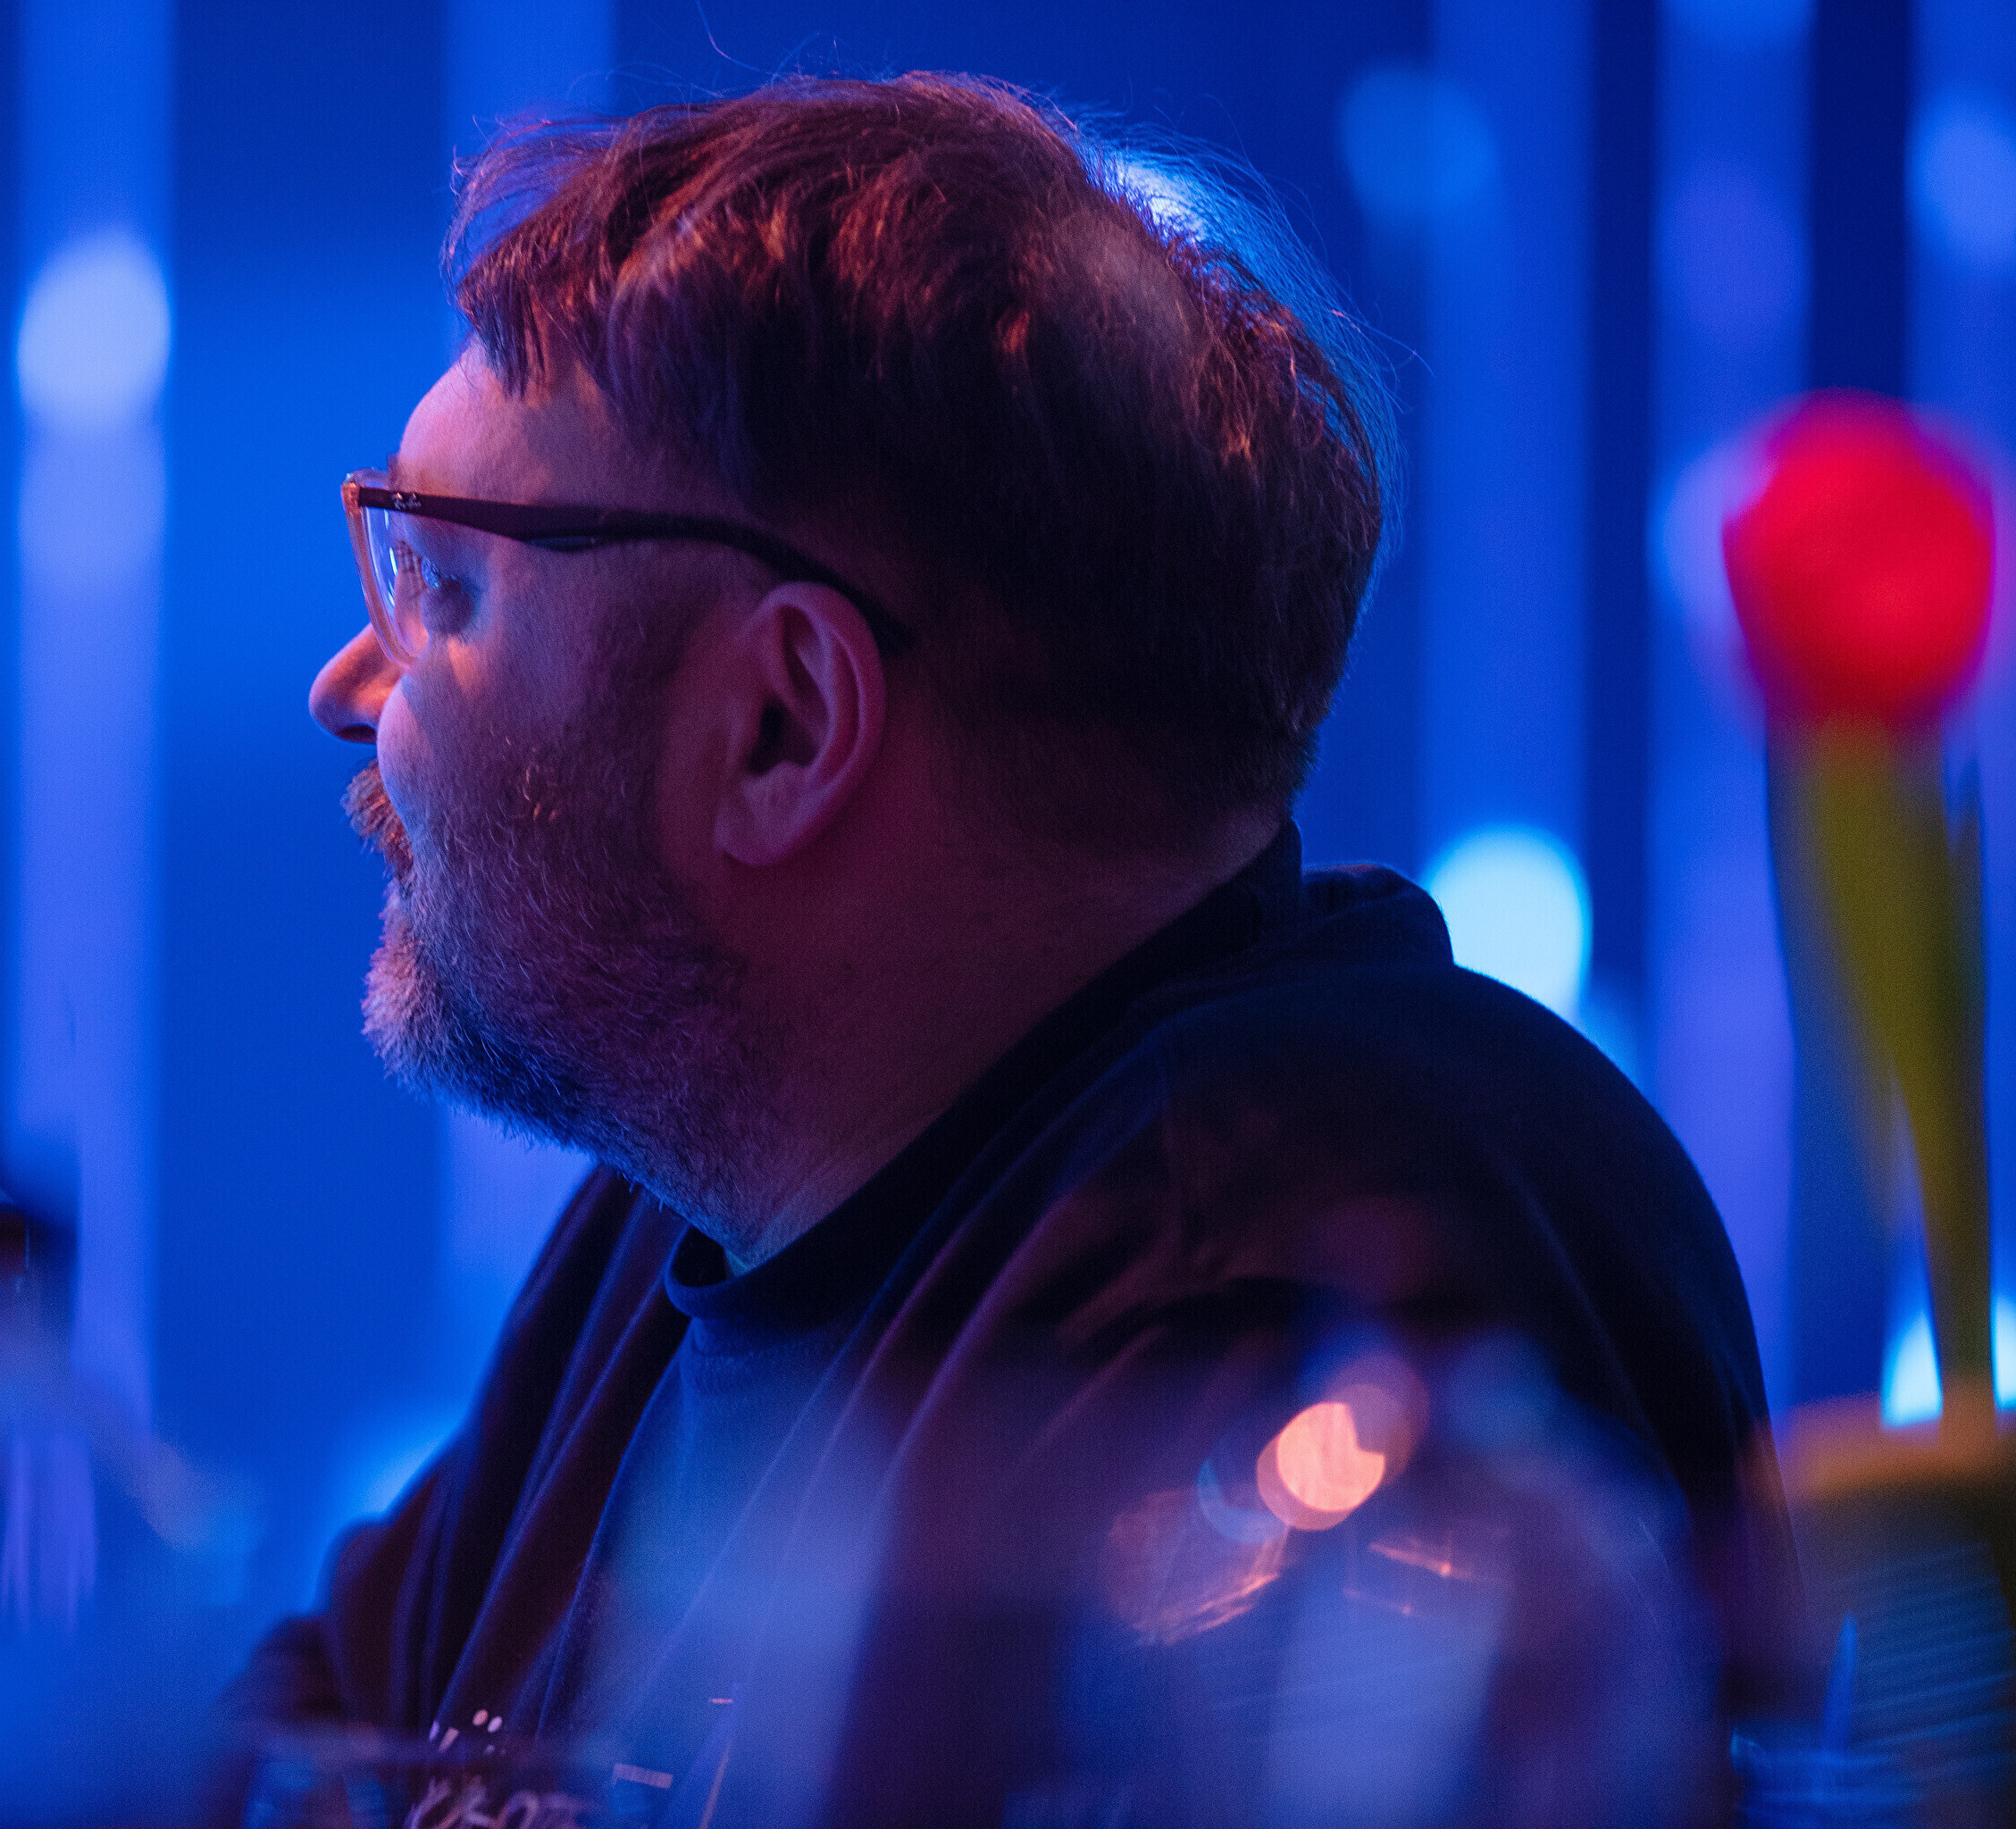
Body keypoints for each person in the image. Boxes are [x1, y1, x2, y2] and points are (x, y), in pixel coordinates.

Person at [236, 72, 1793, 1827]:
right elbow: (284, 1763)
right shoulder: (707, 1186)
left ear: (781, 724)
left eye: (442, 590)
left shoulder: (1290, 1284)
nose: (348, 690)